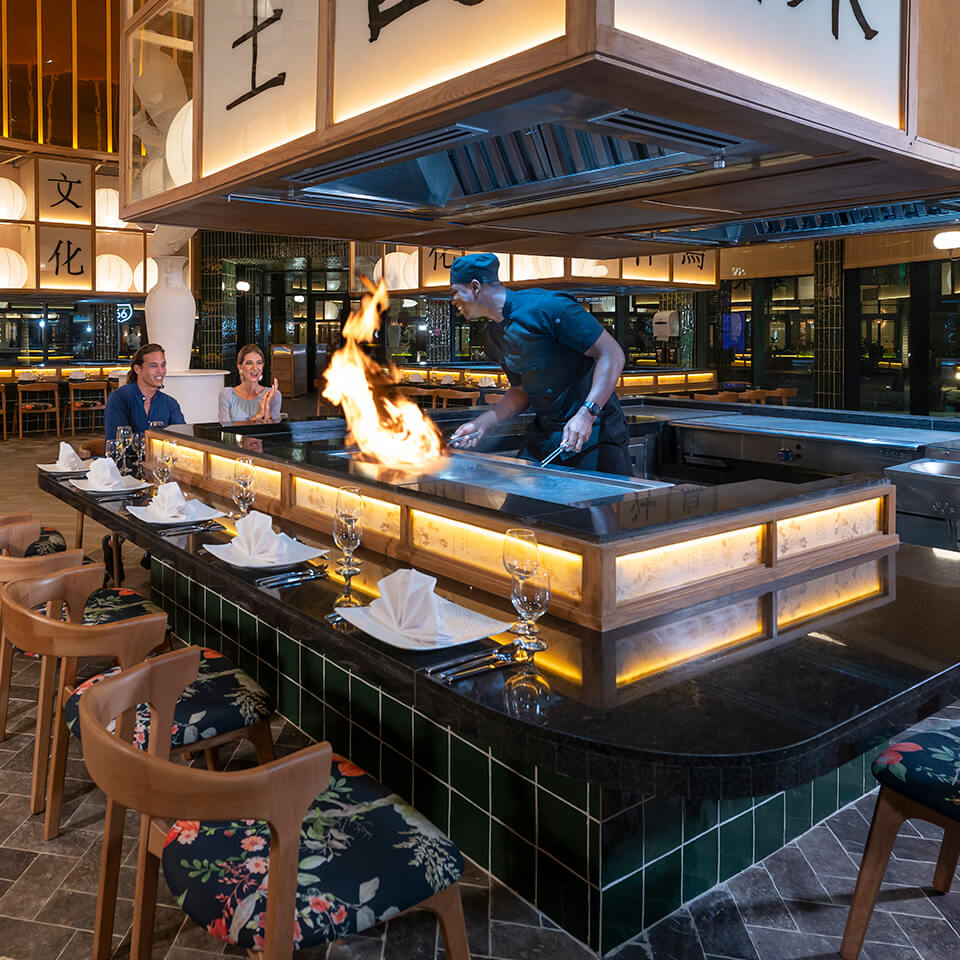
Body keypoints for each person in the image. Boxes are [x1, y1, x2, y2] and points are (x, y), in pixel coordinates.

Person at [448, 253, 631, 475]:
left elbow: (612, 354)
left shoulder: (550, 307)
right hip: (547, 434)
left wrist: (587, 413)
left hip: (595, 433)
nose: (453, 300)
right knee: (518, 495)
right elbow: (520, 391)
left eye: (455, 292)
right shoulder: (493, 336)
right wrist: (481, 424)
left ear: (475, 286)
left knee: (601, 497)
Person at [104, 342, 186, 438]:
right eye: (153, 365)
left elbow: (182, 439)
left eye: (163, 365)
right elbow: (117, 439)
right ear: (137, 369)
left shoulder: (170, 403)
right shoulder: (120, 398)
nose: (161, 371)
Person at [218, 344, 281, 424]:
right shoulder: (227, 394)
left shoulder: (274, 394)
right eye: (249, 363)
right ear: (240, 367)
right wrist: (258, 416)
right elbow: (227, 429)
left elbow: (273, 429)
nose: (255, 368)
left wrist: (267, 407)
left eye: (259, 363)